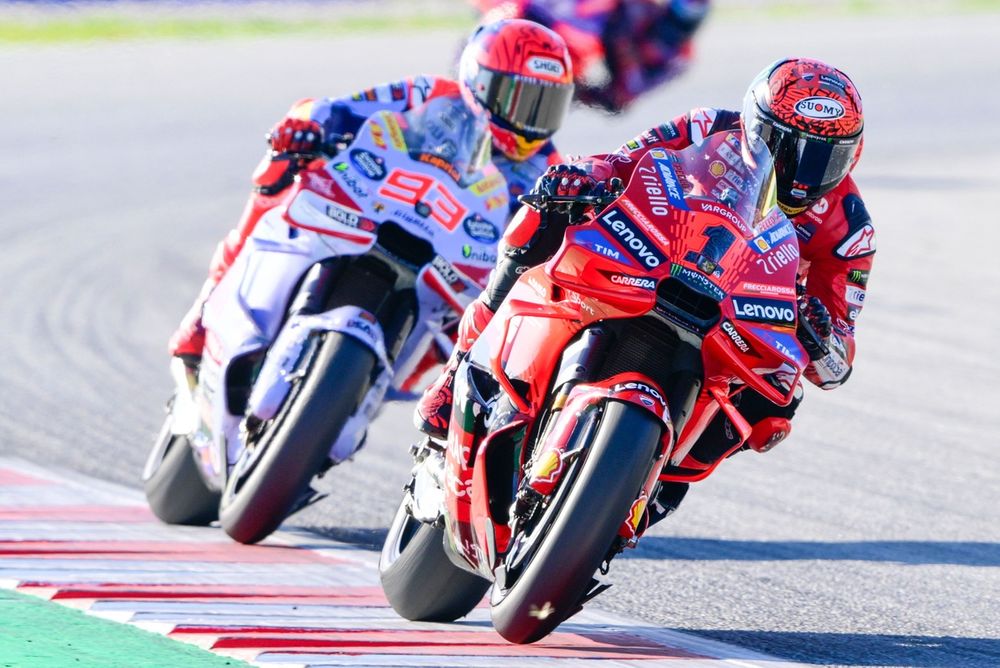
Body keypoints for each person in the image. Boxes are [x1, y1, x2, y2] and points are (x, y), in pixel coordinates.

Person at [415, 57, 875, 524]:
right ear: (755, 126)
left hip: (740, 315)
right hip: (654, 256)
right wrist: (585, 179)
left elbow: (838, 361)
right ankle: (456, 373)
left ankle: (661, 487)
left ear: (851, 155)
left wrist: (822, 336)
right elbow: (621, 161)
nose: (801, 174)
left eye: (824, 157)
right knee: (546, 210)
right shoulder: (706, 127)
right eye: (785, 147)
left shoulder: (850, 229)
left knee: (781, 395)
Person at [168, 19, 575, 368]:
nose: (530, 120)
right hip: (372, 207)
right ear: (480, 80)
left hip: (454, 263)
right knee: (280, 179)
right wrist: (309, 128)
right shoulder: (428, 94)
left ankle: (434, 425)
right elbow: (334, 108)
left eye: (546, 104)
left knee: (492, 333)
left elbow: (561, 237)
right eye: (520, 99)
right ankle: (205, 309)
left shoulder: (548, 167)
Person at [478, 0, 711, 112]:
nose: (671, 29)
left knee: (545, 104)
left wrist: (582, 90)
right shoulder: (641, 10)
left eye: (682, 23)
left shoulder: (679, 56)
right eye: (673, 17)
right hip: (557, 28)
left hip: (574, 63)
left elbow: (623, 95)